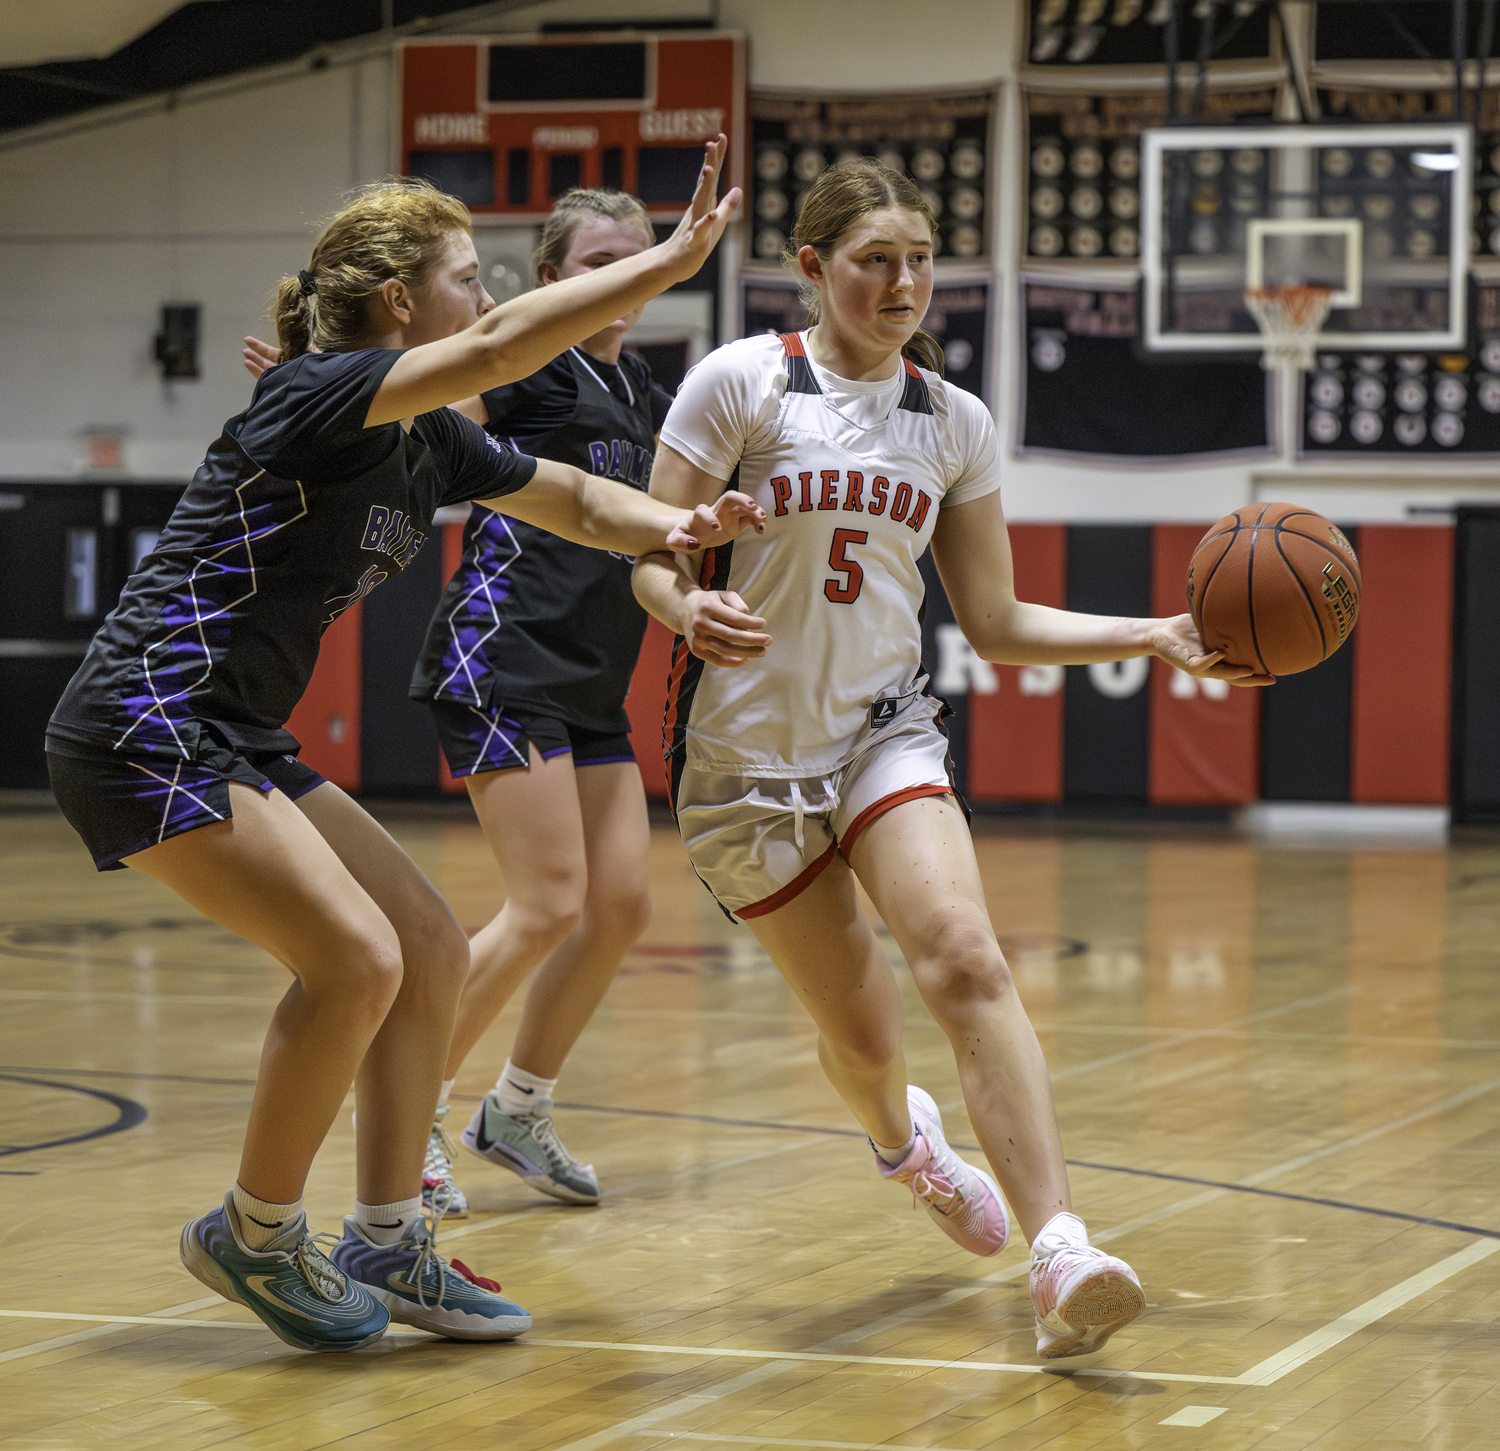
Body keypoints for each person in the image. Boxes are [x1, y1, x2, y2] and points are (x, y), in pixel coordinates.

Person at [46, 143, 757, 1355]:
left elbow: (580, 505)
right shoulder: (318, 391)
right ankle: (256, 1231)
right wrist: (672, 257)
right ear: (398, 304)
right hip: (144, 719)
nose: (484, 302)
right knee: (355, 960)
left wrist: (678, 524)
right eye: (472, 278)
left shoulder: (429, 440)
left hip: (228, 730)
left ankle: (388, 1236)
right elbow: (494, 352)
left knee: (427, 946)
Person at [631, 160, 1268, 1361]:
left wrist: (1156, 632)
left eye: (922, 260)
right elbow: (647, 552)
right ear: (814, 269)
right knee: (868, 1041)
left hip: (882, 727)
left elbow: (996, 618)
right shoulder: (739, 383)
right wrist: (678, 604)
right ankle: (907, 1144)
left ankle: (1061, 1247)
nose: (905, 282)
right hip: (741, 763)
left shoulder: (954, 420)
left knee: (967, 955)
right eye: (877, 259)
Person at [410, 189, 674, 1213]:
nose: (621, 273)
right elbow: (427, 414)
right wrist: (335, 394)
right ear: (557, 278)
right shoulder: (522, 357)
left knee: (618, 906)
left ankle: (515, 1108)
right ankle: (410, 1106)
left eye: (636, 258)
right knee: (548, 900)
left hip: (590, 675)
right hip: (501, 655)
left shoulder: (642, 388)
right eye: (599, 257)